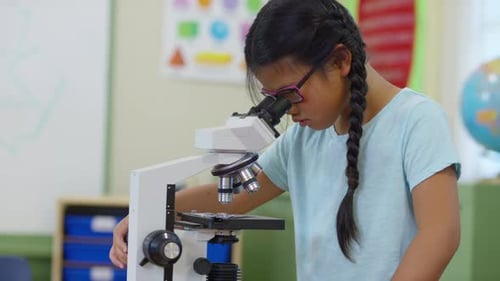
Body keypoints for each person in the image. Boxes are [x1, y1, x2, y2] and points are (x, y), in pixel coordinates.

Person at [110, 0, 461, 280]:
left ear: (340, 60)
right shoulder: (304, 138)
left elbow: (440, 233)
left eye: (291, 93)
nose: (287, 109)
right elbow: (233, 199)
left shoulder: (416, 120)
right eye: (274, 97)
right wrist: (152, 210)